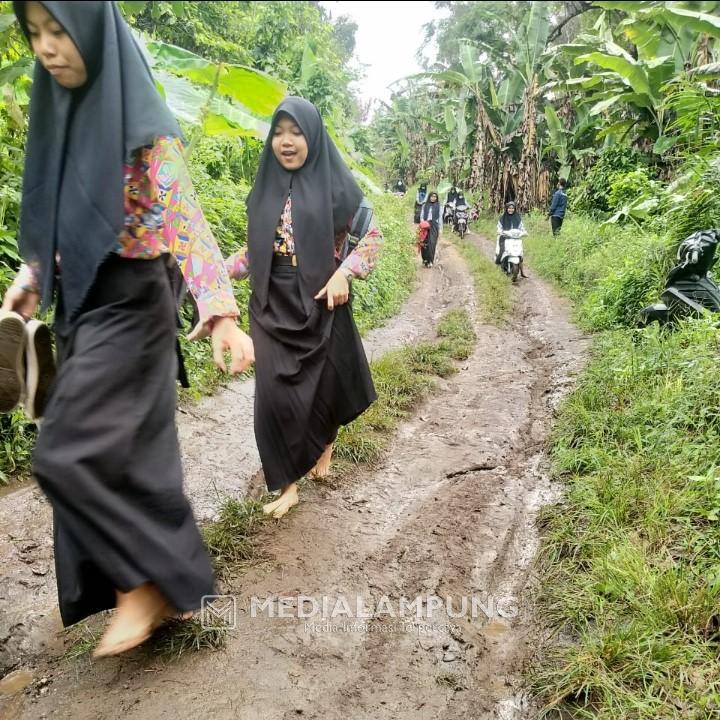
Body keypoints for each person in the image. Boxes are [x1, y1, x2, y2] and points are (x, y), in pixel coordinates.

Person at [1, 1, 254, 658]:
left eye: (58, 29)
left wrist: (220, 309)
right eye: (34, 34)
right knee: (132, 448)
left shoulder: (141, 123)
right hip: (79, 299)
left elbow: (184, 215)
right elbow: (62, 221)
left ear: (89, 28)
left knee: (66, 450)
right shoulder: (61, 120)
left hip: (135, 299)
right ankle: (150, 587)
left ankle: (146, 583)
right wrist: (31, 283)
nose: (47, 47)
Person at [225, 97, 381, 520]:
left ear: (312, 136)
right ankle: (288, 485)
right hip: (271, 304)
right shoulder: (264, 188)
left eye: (295, 132)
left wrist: (344, 273)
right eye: (279, 132)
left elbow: (373, 237)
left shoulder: (338, 187)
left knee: (323, 387)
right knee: (273, 398)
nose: (286, 141)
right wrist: (216, 277)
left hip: (319, 299)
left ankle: (323, 445)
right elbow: (256, 252)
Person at [495, 201, 528, 277]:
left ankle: (522, 271)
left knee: (520, 253)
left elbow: (521, 227)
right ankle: (498, 265)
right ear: (507, 209)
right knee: (501, 251)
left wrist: (524, 232)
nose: (511, 210)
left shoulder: (517, 217)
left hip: (515, 239)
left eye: (512, 208)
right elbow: (499, 227)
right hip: (504, 238)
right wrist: (500, 231)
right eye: (509, 208)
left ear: (514, 209)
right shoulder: (503, 217)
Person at [419, 191, 441, 267]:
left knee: (432, 243)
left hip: (434, 225)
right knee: (424, 243)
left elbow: (440, 218)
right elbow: (421, 216)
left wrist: (440, 229)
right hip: (425, 225)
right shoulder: (425, 205)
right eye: (432, 196)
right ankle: (425, 259)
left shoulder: (438, 206)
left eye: (435, 197)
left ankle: (430, 261)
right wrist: (422, 223)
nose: (433, 198)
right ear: (429, 197)